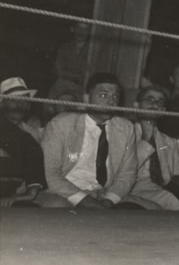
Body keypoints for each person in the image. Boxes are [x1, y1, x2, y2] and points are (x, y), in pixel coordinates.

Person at [37, 72, 139, 209]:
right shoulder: (61, 124)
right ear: (86, 98)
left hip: (104, 195)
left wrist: (109, 200)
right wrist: (86, 201)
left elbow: (128, 174)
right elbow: (50, 174)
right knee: (60, 210)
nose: (111, 101)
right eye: (103, 95)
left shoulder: (126, 128)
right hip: (64, 194)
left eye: (115, 96)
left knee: (151, 210)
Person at [124, 86, 179, 210]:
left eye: (160, 102)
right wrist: (146, 139)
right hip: (129, 191)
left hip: (161, 191)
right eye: (149, 100)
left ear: (164, 110)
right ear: (136, 105)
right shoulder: (124, 133)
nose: (154, 104)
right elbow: (123, 170)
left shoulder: (169, 142)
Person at [0, 77, 46, 207]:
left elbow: (35, 168)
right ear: (2, 103)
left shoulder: (33, 134)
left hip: (16, 195)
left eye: (25, 100)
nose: (21, 104)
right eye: (15, 100)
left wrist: (24, 193)